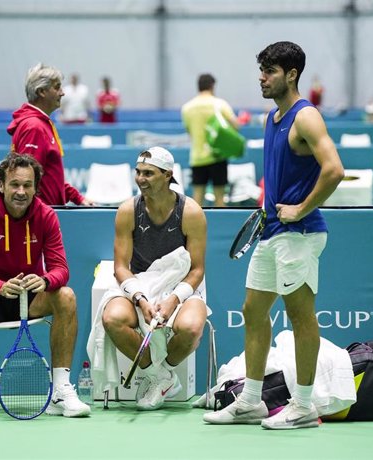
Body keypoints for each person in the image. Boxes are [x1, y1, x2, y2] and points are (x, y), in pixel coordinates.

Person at [204, 41, 344, 429]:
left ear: (291, 74)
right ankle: (250, 400)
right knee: (253, 311)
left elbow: (333, 169)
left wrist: (301, 208)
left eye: (269, 71)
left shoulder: (306, 117)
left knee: (301, 317)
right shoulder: (272, 118)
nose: (261, 78)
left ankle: (303, 406)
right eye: (261, 70)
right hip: (272, 230)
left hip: (299, 233)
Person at [0, 153, 91, 419]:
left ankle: (61, 391)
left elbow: (61, 269)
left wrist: (46, 280)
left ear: (35, 187)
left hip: (30, 299)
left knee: (66, 295)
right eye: (15, 184)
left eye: (27, 185)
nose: (21, 191)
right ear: (1, 185)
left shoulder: (46, 216)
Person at [101, 146, 208, 410]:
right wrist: (140, 299)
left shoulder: (191, 212)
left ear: (167, 175)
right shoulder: (128, 210)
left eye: (148, 173)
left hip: (181, 285)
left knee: (192, 327)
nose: (140, 179)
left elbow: (196, 269)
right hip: (138, 283)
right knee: (112, 318)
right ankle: (157, 376)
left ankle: (165, 371)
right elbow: (120, 267)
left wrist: (173, 299)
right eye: (138, 172)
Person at [7, 64, 93, 206]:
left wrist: (78, 198)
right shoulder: (34, 128)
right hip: (41, 218)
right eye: (57, 87)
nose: (62, 93)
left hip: (49, 212)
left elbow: (51, 175)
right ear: (41, 91)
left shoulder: (42, 124)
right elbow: (26, 180)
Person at [181, 73, 239, 207]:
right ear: (212, 86)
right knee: (220, 200)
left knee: (197, 200)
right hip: (217, 157)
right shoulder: (219, 104)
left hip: (197, 158)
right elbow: (235, 125)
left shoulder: (187, 108)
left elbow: (190, 132)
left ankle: (193, 227)